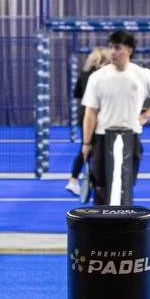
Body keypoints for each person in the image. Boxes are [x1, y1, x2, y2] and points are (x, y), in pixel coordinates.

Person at [80, 29, 150, 206]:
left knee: (126, 186)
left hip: (131, 136)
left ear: (129, 50)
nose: (112, 52)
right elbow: (90, 112)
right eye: (110, 48)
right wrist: (86, 143)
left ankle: (123, 229)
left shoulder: (142, 75)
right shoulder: (97, 77)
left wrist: (146, 116)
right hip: (102, 137)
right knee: (101, 188)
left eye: (117, 48)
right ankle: (100, 229)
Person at [65, 45, 111, 195]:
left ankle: (75, 180)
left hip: (84, 115)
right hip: (98, 116)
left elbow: (77, 93)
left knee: (86, 147)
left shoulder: (84, 73)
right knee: (91, 149)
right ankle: (75, 180)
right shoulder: (103, 75)